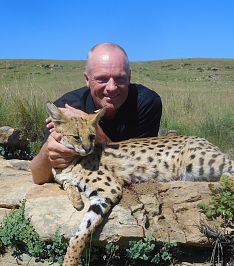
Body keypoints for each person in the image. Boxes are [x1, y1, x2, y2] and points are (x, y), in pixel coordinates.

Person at [31, 43, 162, 184]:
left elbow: (141, 165)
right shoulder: (65, 109)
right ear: (87, 79)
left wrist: (98, 134)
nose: (111, 88)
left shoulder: (145, 103)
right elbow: (38, 177)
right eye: (102, 79)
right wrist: (47, 153)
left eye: (120, 78)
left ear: (129, 77)